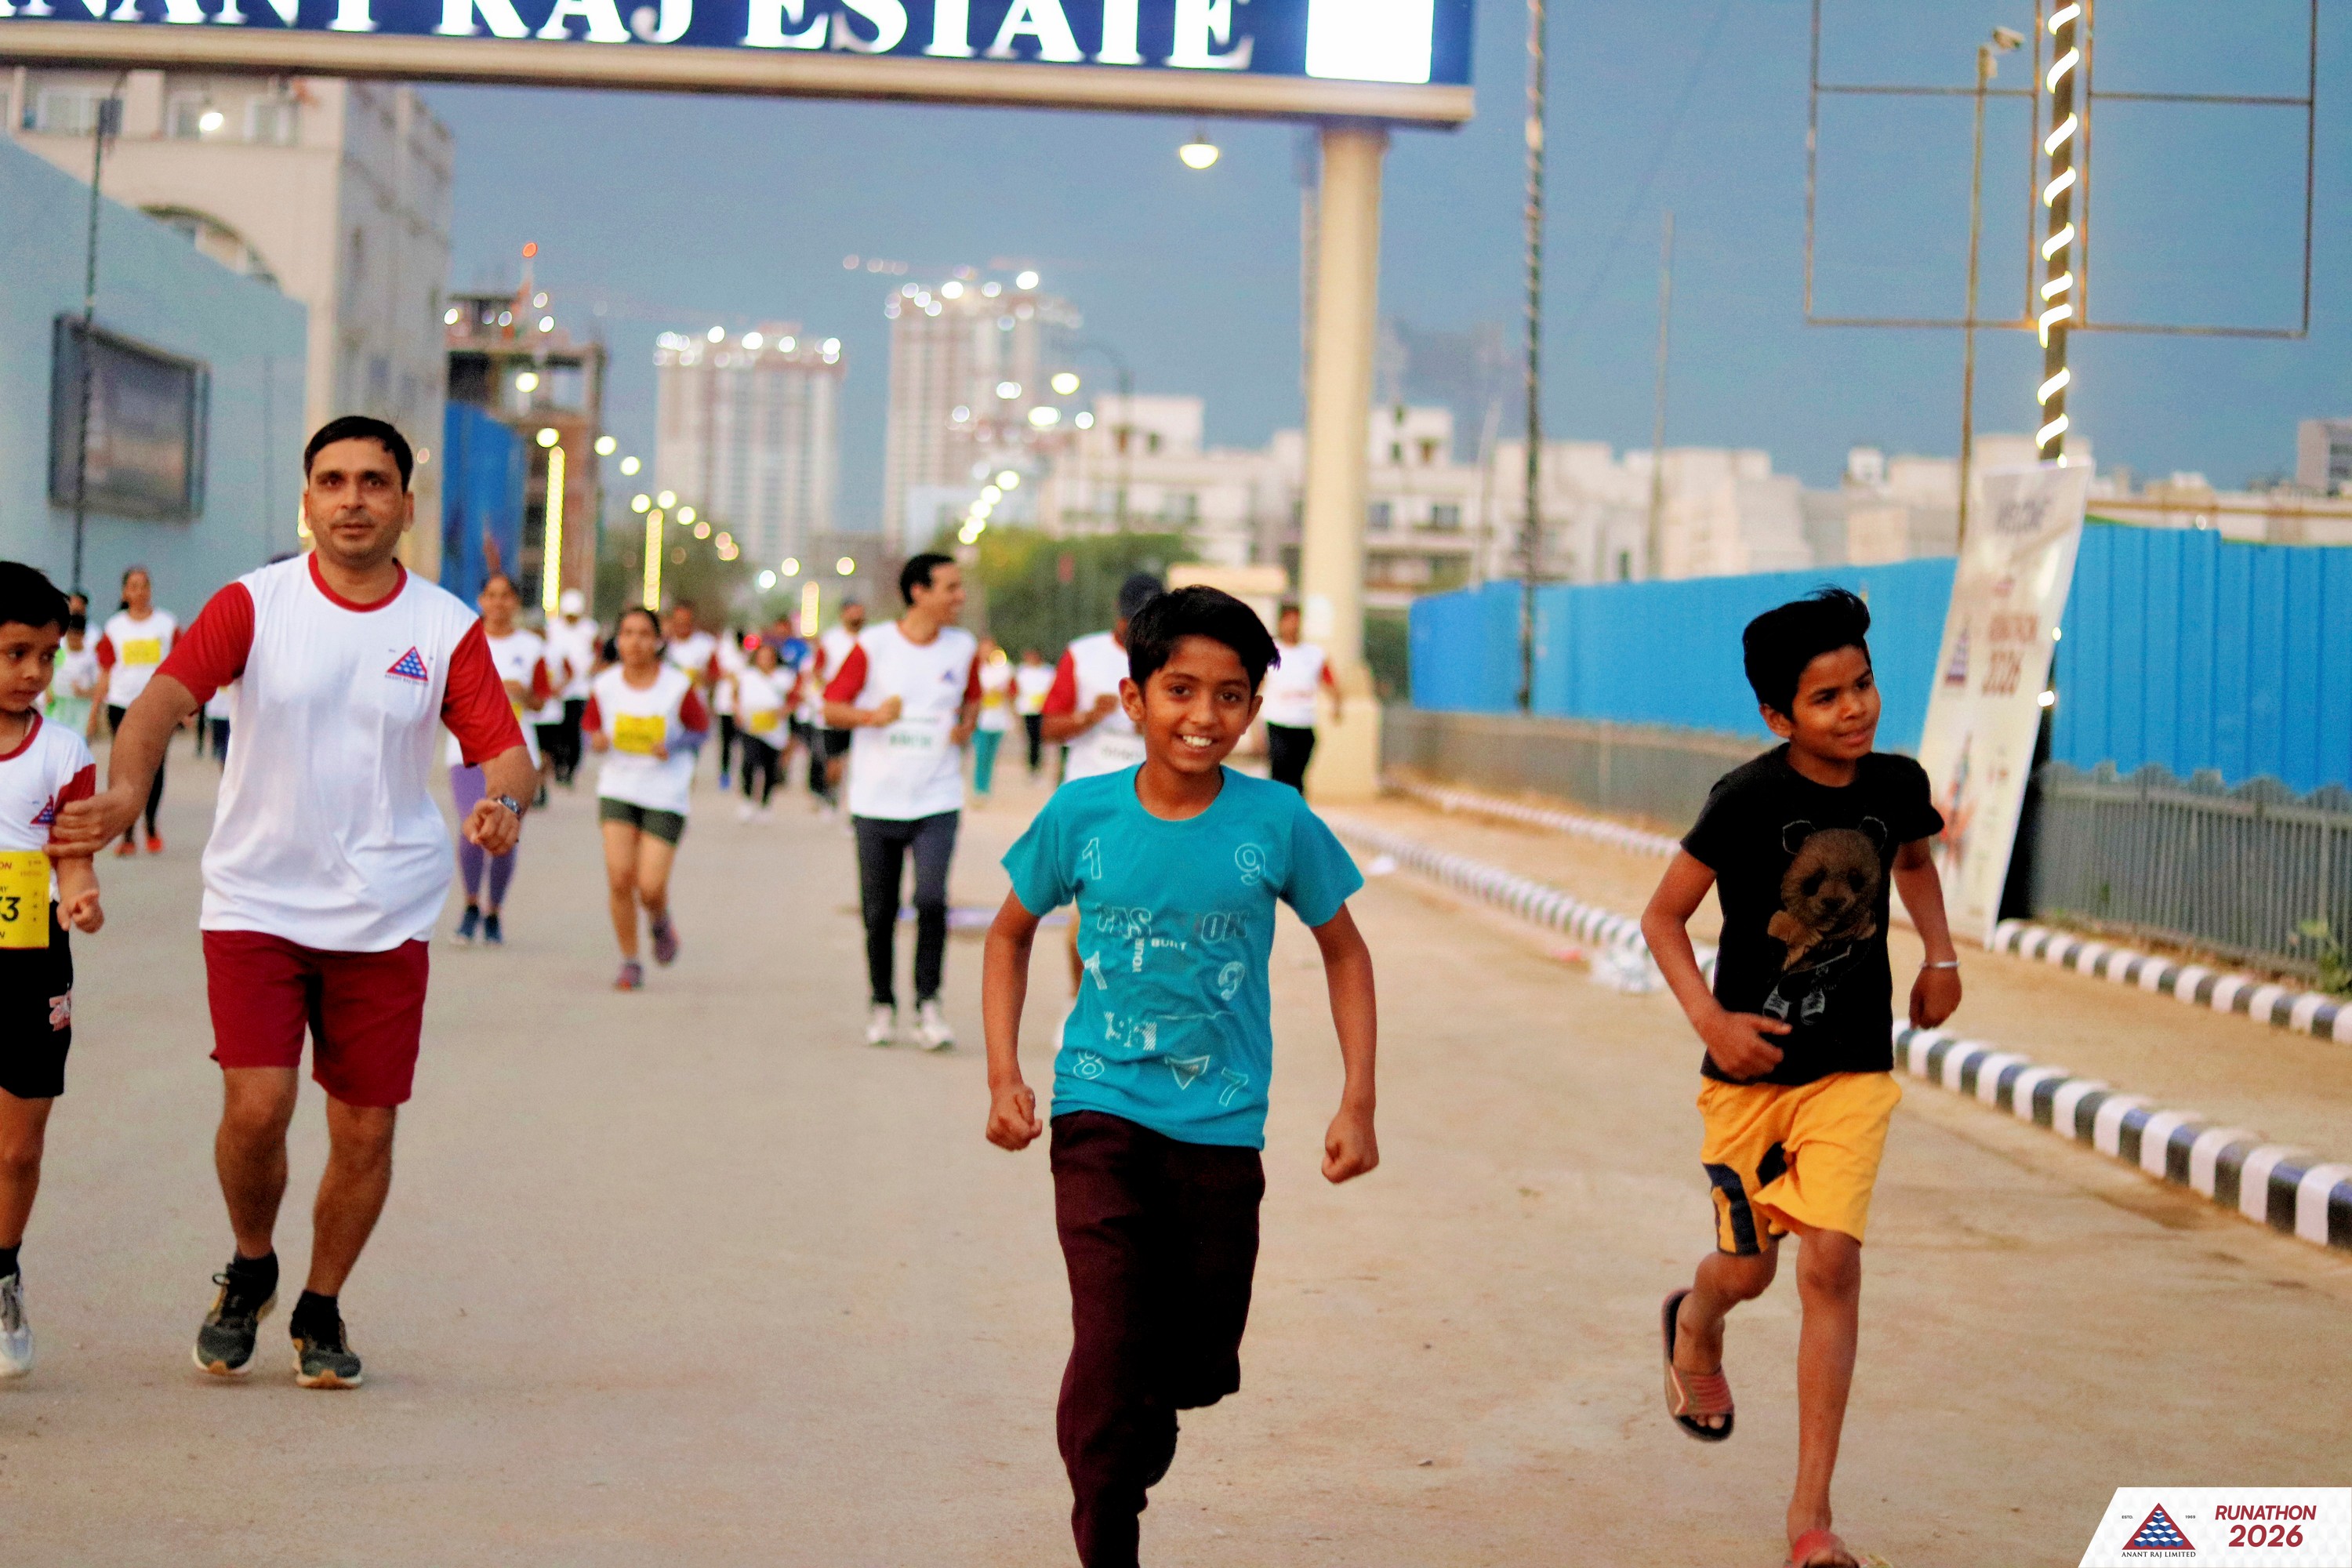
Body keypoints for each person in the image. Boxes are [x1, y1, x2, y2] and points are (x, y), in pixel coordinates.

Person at [49, 415, 531, 1391]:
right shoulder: (253, 603)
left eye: (374, 481)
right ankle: (252, 1262)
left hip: (384, 911)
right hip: (256, 899)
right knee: (257, 1106)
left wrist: (504, 805)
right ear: (307, 501)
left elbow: (506, 751)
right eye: (334, 480)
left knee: (365, 1129)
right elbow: (158, 704)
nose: (354, 498)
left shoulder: (443, 626)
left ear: (404, 503)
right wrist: (129, 790)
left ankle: (320, 1303)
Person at [982, 585, 1379, 1568]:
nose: (1204, 715)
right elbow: (1008, 933)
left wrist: (1357, 1099)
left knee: (1196, 1361)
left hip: (1221, 1126)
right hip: (1099, 1109)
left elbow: (1345, 951)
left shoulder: (1277, 819)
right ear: (1135, 697)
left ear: (1255, 707)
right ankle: (1106, 1523)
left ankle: (1135, 1426)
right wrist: (1004, 1074)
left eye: (1230, 695)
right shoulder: (1081, 814)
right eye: (1181, 689)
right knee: (1109, 1336)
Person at [1638, 587, 1958, 1568]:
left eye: (1863, 683)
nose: (1855, 707)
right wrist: (1712, 1021)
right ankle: (1697, 1317)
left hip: (1851, 1069)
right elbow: (1662, 916)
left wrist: (1941, 957)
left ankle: (1811, 1516)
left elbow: (1911, 861)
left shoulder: (1896, 782)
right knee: (1750, 1270)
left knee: (1831, 1262)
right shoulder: (1746, 798)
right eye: (1827, 696)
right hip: (1748, 1080)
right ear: (1779, 714)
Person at [0, 562, 106, 1378]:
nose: (34, 672)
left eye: (46, 655)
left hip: (32, 958)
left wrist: (80, 893)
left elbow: (72, 855)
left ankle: (2, 1273)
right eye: (15, 654)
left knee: (18, 1149)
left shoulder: (65, 751)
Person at [823, 555, 978, 1051]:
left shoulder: (963, 647)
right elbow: (831, 706)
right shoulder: (874, 645)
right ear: (918, 592)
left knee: (931, 899)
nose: (960, 597)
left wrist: (966, 726)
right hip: (877, 799)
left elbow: (972, 700)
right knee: (879, 910)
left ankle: (928, 1005)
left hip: (937, 795)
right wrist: (871, 717)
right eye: (950, 588)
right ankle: (882, 1003)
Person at [1041, 573, 1163, 989]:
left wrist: (1152, 724)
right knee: (1089, 913)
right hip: (1091, 800)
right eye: (1132, 621)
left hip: (1152, 802)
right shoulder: (1083, 654)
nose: (1138, 631)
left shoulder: (1171, 659)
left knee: (1143, 915)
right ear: (1118, 613)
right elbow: (1049, 728)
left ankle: (1126, 1001)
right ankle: (1080, 999)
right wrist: (1088, 717)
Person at [586, 606, 710, 990]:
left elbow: (701, 730)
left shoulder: (676, 686)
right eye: (627, 633)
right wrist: (596, 740)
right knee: (620, 878)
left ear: (657, 641)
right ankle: (630, 960)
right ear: (617, 640)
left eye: (643, 634)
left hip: (665, 791)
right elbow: (590, 726)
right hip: (618, 787)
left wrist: (674, 745)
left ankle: (659, 919)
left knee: (650, 886)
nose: (634, 641)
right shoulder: (605, 684)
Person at [448, 573, 550, 947]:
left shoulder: (532, 647)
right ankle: (470, 905)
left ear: (516, 603)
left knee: (505, 830)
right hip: (466, 753)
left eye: (506, 596)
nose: (498, 603)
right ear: (481, 600)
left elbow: (543, 700)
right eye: (491, 595)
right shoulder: (463, 638)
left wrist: (522, 694)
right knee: (472, 828)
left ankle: (494, 911)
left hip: (517, 753)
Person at [89, 565, 178, 857]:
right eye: (134, 586)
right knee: (126, 769)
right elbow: (105, 671)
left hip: (157, 704)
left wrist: (188, 708)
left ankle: (150, 824)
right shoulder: (114, 627)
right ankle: (127, 832)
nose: (140, 591)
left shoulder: (167, 624)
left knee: (155, 767)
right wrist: (94, 712)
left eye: (144, 585)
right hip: (122, 705)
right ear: (125, 592)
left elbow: (181, 666)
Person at [1260, 602, 1343, 793]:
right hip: (1278, 721)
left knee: (1297, 776)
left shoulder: (1314, 654)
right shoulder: (1270, 652)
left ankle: (1296, 808)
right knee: (1280, 772)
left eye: (1296, 620)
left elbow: (1330, 682)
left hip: (1304, 723)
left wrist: (1337, 705)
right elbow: (1259, 683)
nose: (1293, 625)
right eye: (1288, 620)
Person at [730, 637, 793, 822]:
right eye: (762, 656)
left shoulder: (785, 677)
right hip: (752, 727)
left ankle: (766, 803)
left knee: (770, 767)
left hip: (775, 730)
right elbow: (735, 694)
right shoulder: (747, 676)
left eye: (769, 657)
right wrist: (738, 712)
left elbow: (794, 698)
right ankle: (748, 800)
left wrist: (785, 711)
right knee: (750, 763)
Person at [543, 588, 600, 789]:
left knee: (574, 730)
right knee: (558, 730)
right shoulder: (553, 627)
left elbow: (597, 652)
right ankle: (559, 766)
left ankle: (571, 769)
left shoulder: (590, 629)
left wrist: (592, 669)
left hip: (580, 688)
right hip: (558, 688)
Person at [812, 599, 866, 811]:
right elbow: (818, 670)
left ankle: (852, 804)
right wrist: (832, 690)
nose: (856, 616)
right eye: (853, 612)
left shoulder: (869, 639)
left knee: (856, 763)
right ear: (843, 614)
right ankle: (830, 796)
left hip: (860, 709)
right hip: (835, 708)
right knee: (834, 764)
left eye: (859, 612)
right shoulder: (831, 640)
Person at [662, 601, 720, 779]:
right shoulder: (662, 645)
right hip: (665, 707)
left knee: (688, 756)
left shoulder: (705, 645)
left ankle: (686, 779)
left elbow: (715, 675)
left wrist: (703, 678)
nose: (682, 625)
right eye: (678, 621)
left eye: (686, 621)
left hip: (694, 708)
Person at [44, 612, 99, 736]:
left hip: (81, 710)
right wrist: (48, 692)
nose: (72, 638)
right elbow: (48, 673)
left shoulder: (91, 658)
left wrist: (85, 693)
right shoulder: (59, 653)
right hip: (58, 707)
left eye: (76, 635)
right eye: (70, 634)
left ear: (83, 635)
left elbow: (99, 687)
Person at [972, 637, 1013, 800]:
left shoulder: (1002, 669)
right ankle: (979, 787)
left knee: (991, 756)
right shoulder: (975, 669)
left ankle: (986, 788)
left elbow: (1012, 692)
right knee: (981, 755)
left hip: (998, 719)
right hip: (980, 719)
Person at [710, 625, 748, 791]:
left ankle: (742, 774)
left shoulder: (745, 656)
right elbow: (718, 672)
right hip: (726, 705)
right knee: (726, 742)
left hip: (742, 706)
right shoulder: (725, 653)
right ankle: (725, 772)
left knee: (743, 743)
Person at [1014, 646, 1054, 779]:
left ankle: (1038, 765)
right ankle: (1032, 765)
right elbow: (1016, 691)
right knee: (1031, 739)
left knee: (1040, 739)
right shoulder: (1021, 671)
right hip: (1027, 710)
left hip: (1043, 710)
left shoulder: (1048, 671)